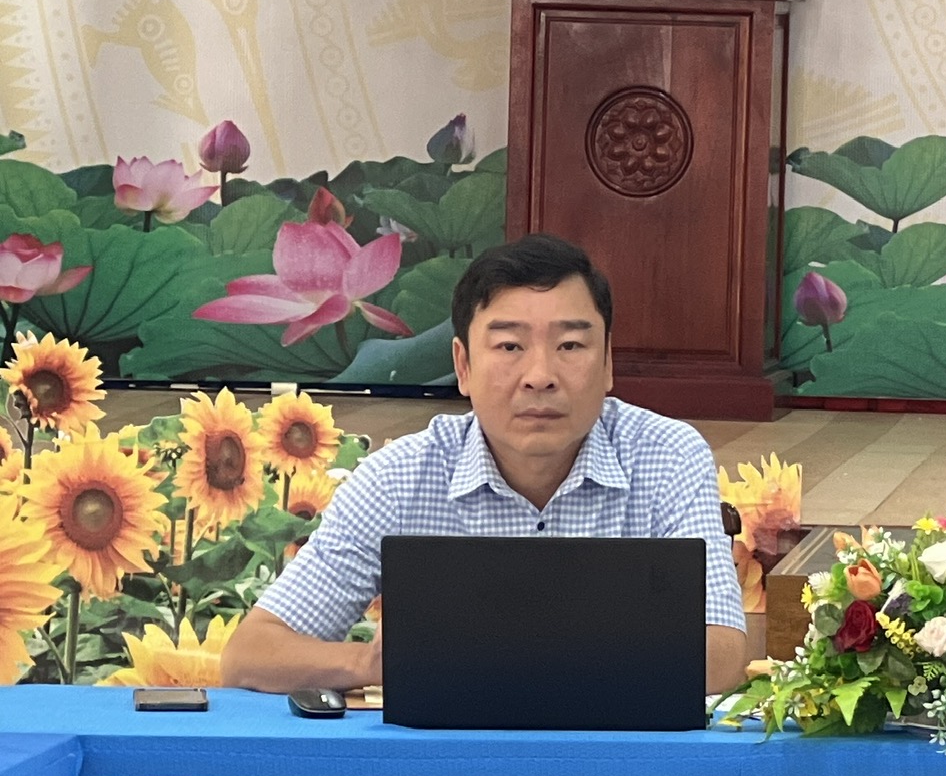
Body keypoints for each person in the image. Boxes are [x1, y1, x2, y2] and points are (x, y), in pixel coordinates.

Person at [221, 233, 749, 696]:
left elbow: (722, 654)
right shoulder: (399, 478)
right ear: (463, 365)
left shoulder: (666, 456)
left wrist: (495, 657)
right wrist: (372, 664)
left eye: (570, 344)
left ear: (608, 363)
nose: (540, 375)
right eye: (509, 346)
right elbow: (250, 656)